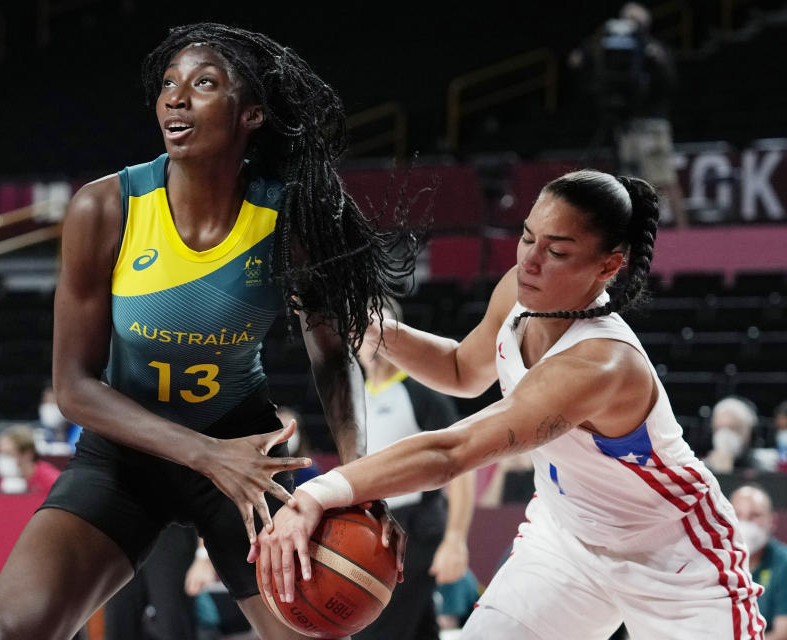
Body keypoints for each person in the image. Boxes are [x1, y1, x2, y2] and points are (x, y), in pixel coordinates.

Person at [0, 22, 417, 640]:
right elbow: (74, 388)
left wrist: (362, 485)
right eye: (168, 85)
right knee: (8, 633)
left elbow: (332, 357)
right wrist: (204, 456)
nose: (175, 98)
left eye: (203, 84)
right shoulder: (105, 208)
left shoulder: (289, 217)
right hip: (127, 454)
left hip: (245, 452)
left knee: (310, 634)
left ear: (252, 114)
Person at [257, 169, 765, 639]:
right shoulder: (520, 294)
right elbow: (460, 368)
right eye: (526, 236)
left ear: (609, 265)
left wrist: (317, 494)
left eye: (558, 251)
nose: (530, 259)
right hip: (565, 542)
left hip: (674, 560)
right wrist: (366, 322)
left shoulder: (602, 365)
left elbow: (453, 452)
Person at [354, 298, 474, 640]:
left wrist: (455, 540)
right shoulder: (355, 396)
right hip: (376, 530)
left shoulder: (421, 392)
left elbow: (463, 465)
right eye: (361, 332)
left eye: (379, 331)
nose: (370, 340)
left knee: (374, 632)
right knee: (419, 629)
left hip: (416, 529)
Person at [569, 2, 687, 228]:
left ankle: (685, 234)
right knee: (630, 181)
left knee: (664, 178)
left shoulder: (653, 48)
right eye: (625, 20)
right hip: (626, 121)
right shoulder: (609, 47)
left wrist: (652, 60)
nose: (629, 27)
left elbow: (670, 82)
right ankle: (634, 230)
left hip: (652, 122)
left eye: (635, 22)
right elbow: (577, 61)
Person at [731, 484, 787, 639]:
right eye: (737, 514)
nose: (745, 523)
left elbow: (783, 633)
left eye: (754, 516)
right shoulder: (717, 561)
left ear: (772, 520)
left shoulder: (783, 562)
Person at [0, 424, 62, 495]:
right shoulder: (4, 482)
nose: (2, 460)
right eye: (0, 454)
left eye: (8, 454)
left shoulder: (52, 481)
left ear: (27, 454)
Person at [706, 396, 760, 474]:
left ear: (749, 431)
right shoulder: (700, 468)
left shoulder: (761, 468)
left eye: (733, 428)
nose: (725, 436)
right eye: (719, 429)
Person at [35, 382, 82, 455]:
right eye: (46, 401)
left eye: (53, 402)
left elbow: (77, 450)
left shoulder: (78, 427)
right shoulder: (39, 430)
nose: (49, 408)